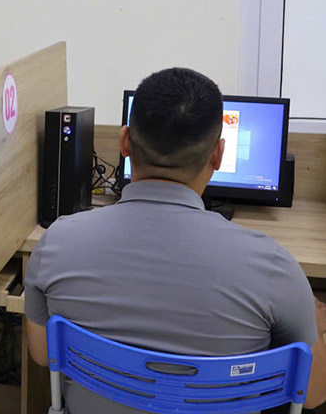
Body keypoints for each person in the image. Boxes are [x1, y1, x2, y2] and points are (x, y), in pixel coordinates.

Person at [22, 67, 326, 413]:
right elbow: (314, 393)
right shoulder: (274, 266)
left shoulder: (56, 242)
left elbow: (43, 354)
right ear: (218, 155)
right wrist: (314, 323)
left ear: (123, 142)